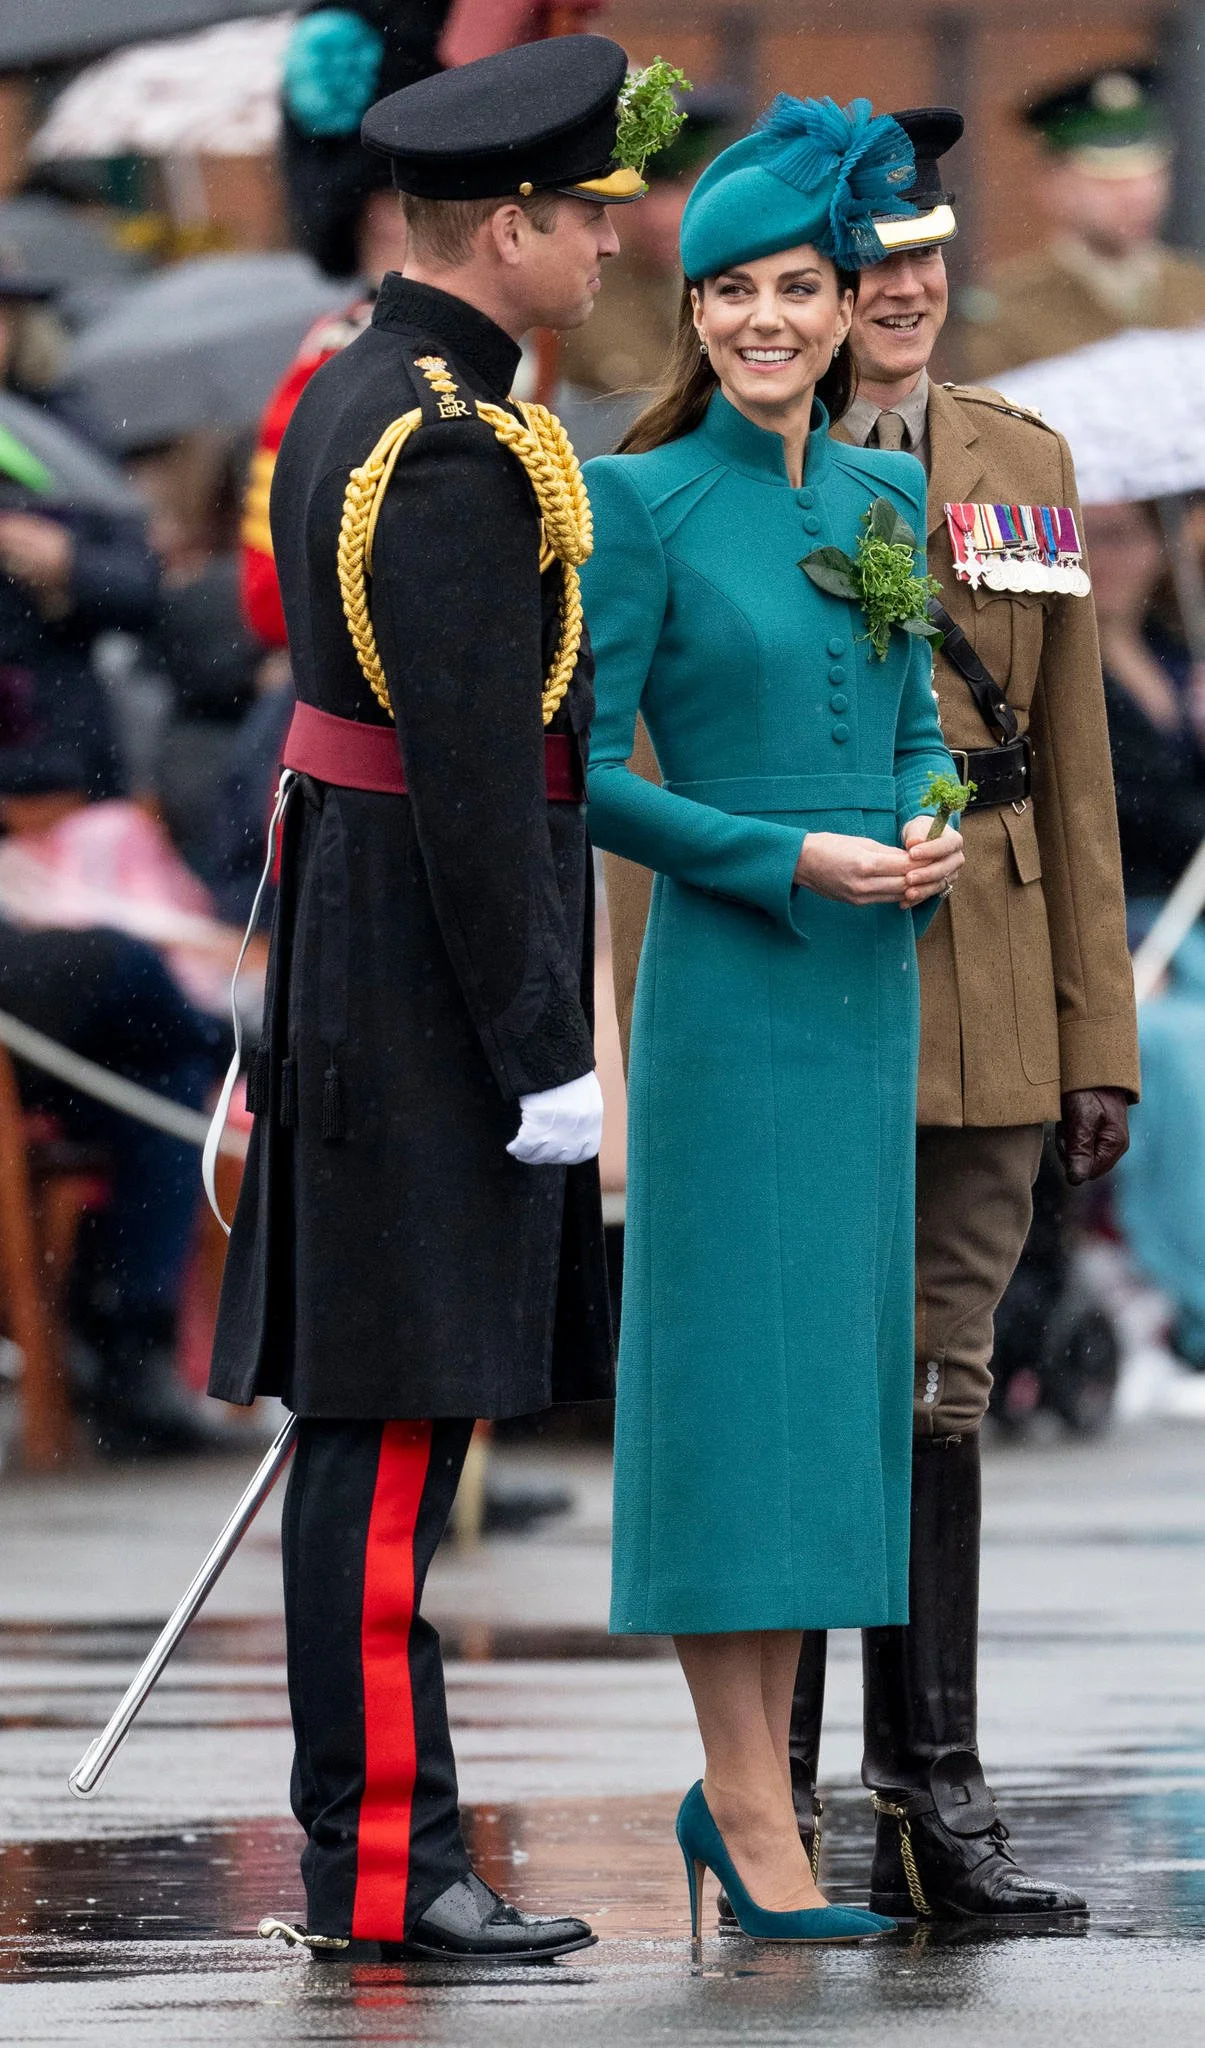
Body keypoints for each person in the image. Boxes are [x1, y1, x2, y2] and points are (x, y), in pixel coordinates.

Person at [603, 102, 1141, 1928]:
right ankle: (787, 1790)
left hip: (967, 958)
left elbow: (1065, 765)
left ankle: (941, 1787)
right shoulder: (684, 478)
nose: (883, 289)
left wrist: (1099, 1031)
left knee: (933, 1383)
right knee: (790, 1374)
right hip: (779, 961)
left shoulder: (1010, 461)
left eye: (903, 259)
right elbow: (612, 778)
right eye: (863, 258)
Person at [208, 33, 667, 1963]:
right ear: (505, 225)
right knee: (394, 1447)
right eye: (584, 219)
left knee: (379, 1441)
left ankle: (392, 1852)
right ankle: (388, 1866)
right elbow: (480, 786)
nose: (609, 246)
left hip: (364, 961)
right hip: (417, 990)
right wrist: (545, 1049)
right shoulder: (453, 441)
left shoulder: (366, 388)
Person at [581, 94, 962, 1945]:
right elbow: (576, 778)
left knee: (833, 1397)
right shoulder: (636, 502)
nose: (762, 320)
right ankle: (743, 1790)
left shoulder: (894, 495)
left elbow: (911, 726)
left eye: (794, 287)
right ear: (695, 310)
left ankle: (763, 1787)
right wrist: (781, 856)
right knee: (734, 1393)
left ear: (843, 302)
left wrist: (925, 813)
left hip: (866, 984)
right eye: (727, 288)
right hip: (735, 985)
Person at [959, 66, 1205, 380]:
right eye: (1108, 179)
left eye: (1150, 175)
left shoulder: (1196, 289)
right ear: (1050, 184)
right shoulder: (1006, 311)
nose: (1137, 195)